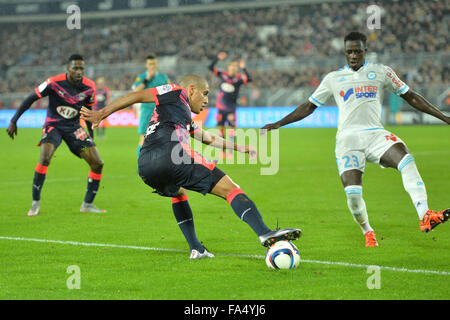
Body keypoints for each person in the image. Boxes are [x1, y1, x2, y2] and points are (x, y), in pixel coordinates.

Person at [81, 74, 301, 259]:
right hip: (172, 155)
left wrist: (240, 147)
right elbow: (138, 95)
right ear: (192, 89)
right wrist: (102, 113)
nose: (207, 100)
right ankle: (264, 233)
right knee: (230, 188)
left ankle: (196, 248)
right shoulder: (175, 91)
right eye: (205, 94)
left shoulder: (179, 112)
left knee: (178, 192)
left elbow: (206, 138)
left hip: (146, 166)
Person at [262, 32, 449, 247]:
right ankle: (367, 231)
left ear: (365, 51)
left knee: (406, 160)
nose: (353, 55)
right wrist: (278, 123)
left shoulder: (382, 72)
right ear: (344, 52)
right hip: (347, 141)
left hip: (375, 134)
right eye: (349, 51)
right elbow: (309, 106)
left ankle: (425, 215)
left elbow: (411, 96)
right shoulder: (333, 79)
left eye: (357, 51)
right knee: (353, 193)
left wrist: (444, 117)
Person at [6, 54, 106, 216]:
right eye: (75, 68)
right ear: (68, 69)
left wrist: (91, 136)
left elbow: (88, 112)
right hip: (54, 126)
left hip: (74, 128)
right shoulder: (53, 82)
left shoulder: (89, 87)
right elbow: (31, 98)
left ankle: (87, 204)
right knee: (45, 158)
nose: (79, 71)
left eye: (81, 68)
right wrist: (14, 120)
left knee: (97, 163)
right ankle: (35, 204)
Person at [209, 52, 252, 158]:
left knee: (232, 131)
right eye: (232, 66)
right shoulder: (223, 74)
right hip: (220, 107)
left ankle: (231, 153)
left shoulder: (239, 78)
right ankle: (223, 152)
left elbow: (250, 79)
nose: (234, 68)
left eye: (236, 67)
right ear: (229, 67)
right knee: (220, 129)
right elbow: (210, 67)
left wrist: (244, 68)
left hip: (231, 108)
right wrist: (217, 58)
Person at [132, 53, 170, 160]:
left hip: (161, 112)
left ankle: (159, 164)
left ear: (156, 64)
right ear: (146, 65)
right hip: (146, 112)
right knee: (143, 139)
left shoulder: (163, 77)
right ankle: (141, 164)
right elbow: (135, 92)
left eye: (153, 64)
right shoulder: (142, 77)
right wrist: (147, 79)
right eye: (150, 64)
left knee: (162, 139)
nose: (152, 66)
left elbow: (169, 92)